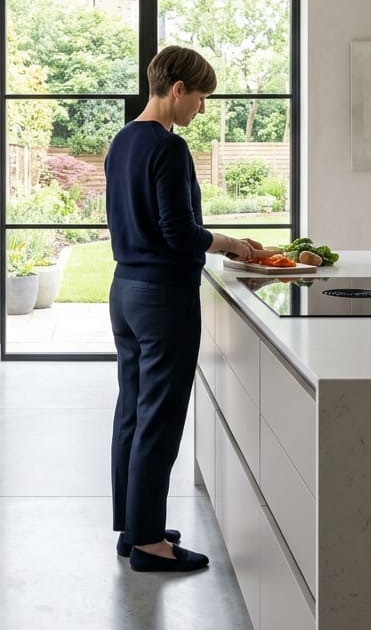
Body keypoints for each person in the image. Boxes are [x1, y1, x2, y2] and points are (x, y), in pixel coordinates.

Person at [104, 45, 267, 572]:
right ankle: (150, 543)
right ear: (178, 90)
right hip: (162, 298)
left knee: (132, 409)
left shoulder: (122, 140)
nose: (200, 109)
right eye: (199, 98)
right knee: (161, 416)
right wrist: (228, 243)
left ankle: (134, 526)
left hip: (125, 291)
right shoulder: (169, 149)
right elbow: (179, 234)